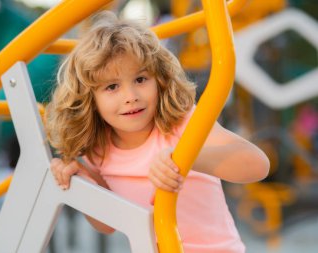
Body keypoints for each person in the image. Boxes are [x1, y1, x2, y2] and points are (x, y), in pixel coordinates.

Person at [44, 11, 269, 253]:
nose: (131, 97)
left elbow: (257, 165)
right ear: (90, 99)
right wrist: (83, 179)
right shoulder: (98, 149)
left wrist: (184, 157)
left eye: (141, 79)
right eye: (112, 86)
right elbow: (107, 225)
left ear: (159, 80)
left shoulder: (180, 123)